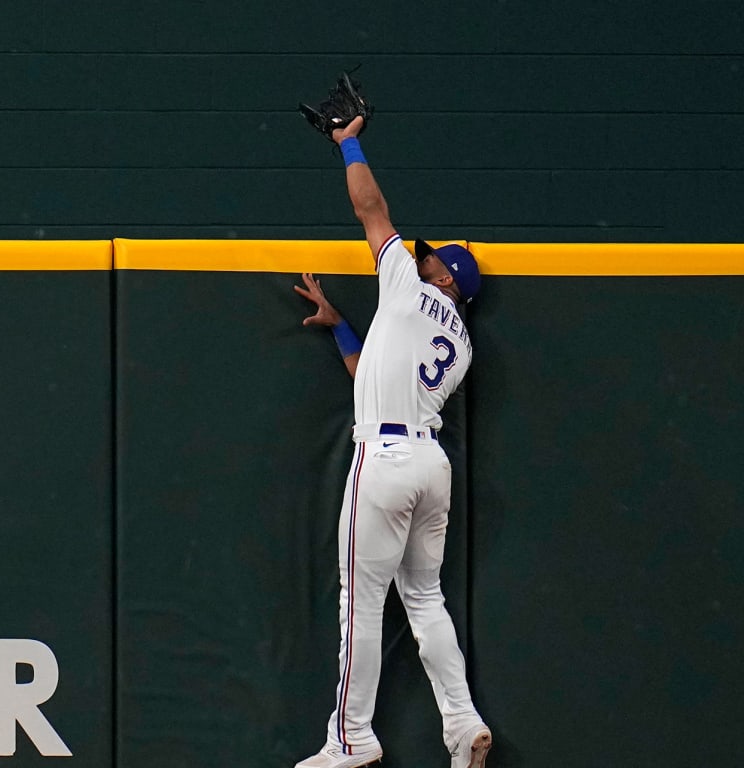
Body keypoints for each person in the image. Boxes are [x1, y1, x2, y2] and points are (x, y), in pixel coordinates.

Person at [290, 116, 492, 768]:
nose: (422, 253)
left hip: (385, 459)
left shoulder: (407, 281)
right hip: (431, 466)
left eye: (432, 256)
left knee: (361, 604)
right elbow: (376, 371)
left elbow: (370, 207)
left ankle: (351, 740)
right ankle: (462, 725)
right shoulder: (461, 344)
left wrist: (348, 141)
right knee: (425, 599)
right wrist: (341, 327)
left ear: (443, 274)